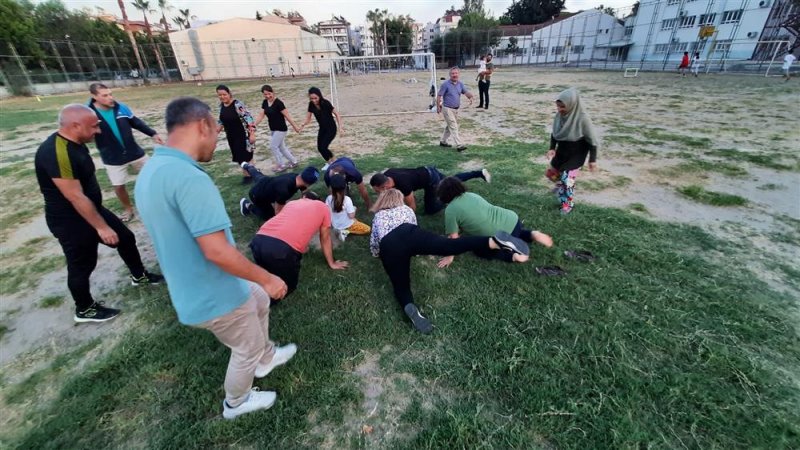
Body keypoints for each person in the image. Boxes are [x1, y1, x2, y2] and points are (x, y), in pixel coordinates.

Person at [135, 97, 296, 420]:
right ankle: (236, 402)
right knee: (244, 346)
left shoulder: (153, 169)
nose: (217, 140)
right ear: (203, 126)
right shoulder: (190, 179)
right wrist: (268, 277)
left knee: (259, 300)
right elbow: (217, 251)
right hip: (212, 291)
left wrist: (258, 284)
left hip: (201, 282)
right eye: (216, 131)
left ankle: (265, 358)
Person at [35, 104, 163, 324]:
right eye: (94, 126)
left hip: (90, 209)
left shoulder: (75, 143)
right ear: (75, 125)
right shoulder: (56, 153)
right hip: (70, 219)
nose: (98, 131)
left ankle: (138, 275)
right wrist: (101, 227)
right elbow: (74, 196)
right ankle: (84, 308)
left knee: (126, 238)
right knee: (82, 263)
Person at [369, 189, 529, 334]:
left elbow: (375, 244)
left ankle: (409, 306)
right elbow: (413, 225)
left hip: (389, 245)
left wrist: (378, 254)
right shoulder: (406, 209)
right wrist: (415, 249)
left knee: (401, 285)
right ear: (399, 199)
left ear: (381, 202)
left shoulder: (378, 217)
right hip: (411, 234)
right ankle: (492, 242)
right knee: (449, 245)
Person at [250, 191, 349, 299]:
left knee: (266, 273)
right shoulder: (324, 208)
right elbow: (325, 238)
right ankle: (257, 303)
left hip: (258, 241)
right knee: (287, 287)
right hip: (280, 250)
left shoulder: (292, 203)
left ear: (304, 197)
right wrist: (332, 263)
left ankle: (254, 287)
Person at [436, 177, 553, 268]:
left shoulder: (450, 210)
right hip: (512, 220)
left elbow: (454, 238)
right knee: (513, 232)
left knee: (480, 251)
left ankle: (514, 256)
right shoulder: (471, 195)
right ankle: (532, 234)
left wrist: (450, 256)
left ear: (443, 196)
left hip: (497, 235)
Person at [87, 83, 164, 222]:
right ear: (94, 97)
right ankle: (128, 209)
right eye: (105, 95)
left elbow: (136, 122)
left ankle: (159, 202)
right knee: (118, 185)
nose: (110, 98)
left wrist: (152, 133)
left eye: (110, 94)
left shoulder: (121, 108)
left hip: (134, 152)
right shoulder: (88, 113)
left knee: (153, 175)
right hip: (112, 158)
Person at [545, 88, 599, 215]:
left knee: (567, 180)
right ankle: (559, 186)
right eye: (558, 106)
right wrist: (552, 148)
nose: (559, 110)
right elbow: (555, 134)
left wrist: (592, 160)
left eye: (562, 107)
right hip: (562, 151)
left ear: (572, 105)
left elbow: (592, 141)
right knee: (551, 174)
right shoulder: (559, 116)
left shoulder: (582, 119)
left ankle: (567, 204)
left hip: (576, 154)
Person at [369, 165, 490, 215]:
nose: (378, 193)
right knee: (453, 179)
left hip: (431, 180)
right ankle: (479, 173)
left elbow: (412, 206)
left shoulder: (403, 185)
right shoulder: (387, 175)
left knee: (430, 210)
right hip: (427, 169)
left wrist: (407, 218)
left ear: (385, 186)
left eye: (378, 191)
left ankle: (447, 199)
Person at [239, 163, 320, 220]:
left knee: (257, 175)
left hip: (267, 181)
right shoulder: (284, 191)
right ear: (308, 184)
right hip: (257, 195)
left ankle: (248, 166)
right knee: (270, 217)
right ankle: (247, 205)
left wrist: (312, 199)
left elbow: (305, 191)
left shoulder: (297, 177)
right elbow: (278, 211)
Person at [254, 85, 300, 173]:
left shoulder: (279, 103)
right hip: (273, 129)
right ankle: (294, 161)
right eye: (265, 94)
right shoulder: (265, 102)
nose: (267, 96)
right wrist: (254, 125)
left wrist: (295, 127)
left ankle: (281, 165)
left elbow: (287, 116)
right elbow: (261, 115)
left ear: (273, 92)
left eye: (269, 93)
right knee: (282, 147)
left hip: (281, 129)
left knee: (273, 146)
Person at [216, 85, 257, 184]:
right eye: (220, 95)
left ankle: (251, 175)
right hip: (231, 136)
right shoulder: (221, 106)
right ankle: (247, 175)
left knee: (247, 156)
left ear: (229, 94)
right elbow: (221, 121)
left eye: (224, 94)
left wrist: (252, 134)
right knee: (239, 157)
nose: (222, 97)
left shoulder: (237, 104)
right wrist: (215, 132)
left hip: (243, 135)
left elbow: (249, 119)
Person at [300, 87, 343, 168]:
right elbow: (308, 118)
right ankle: (329, 162)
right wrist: (303, 124)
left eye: (315, 98)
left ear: (319, 96)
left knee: (324, 147)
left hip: (331, 128)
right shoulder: (311, 105)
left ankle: (334, 161)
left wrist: (341, 127)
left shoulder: (325, 103)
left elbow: (337, 114)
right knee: (320, 148)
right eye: (311, 98)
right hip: (322, 128)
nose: (314, 100)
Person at [437, 67, 474, 152]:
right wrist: (438, 107)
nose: (455, 75)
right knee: (453, 126)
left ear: (458, 74)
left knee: (449, 126)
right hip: (447, 109)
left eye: (456, 73)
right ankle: (459, 145)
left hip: (455, 110)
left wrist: (470, 97)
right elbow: (439, 96)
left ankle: (443, 142)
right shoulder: (445, 84)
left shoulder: (460, 84)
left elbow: (465, 92)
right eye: (453, 73)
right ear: (450, 75)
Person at [325, 174, 371, 241]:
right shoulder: (347, 199)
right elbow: (351, 216)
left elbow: (327, 212)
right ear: (345, 187)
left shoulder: (328, 198)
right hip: (347, 225)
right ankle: (345, 231)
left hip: (335, 224)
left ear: (331, 188)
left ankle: (340, 229)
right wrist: (354, 209)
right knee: (368, 229)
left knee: (354, 219)